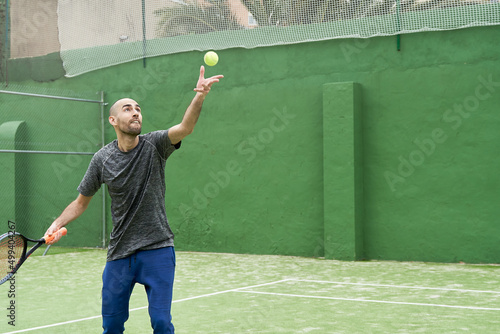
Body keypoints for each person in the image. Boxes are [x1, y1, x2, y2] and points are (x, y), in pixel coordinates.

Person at [44, 66, 223, 334]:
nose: (135, 111)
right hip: (120, 254)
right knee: (112, 326)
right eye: (127, 108)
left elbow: (185, 127)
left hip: (158, 248)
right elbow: (81, 201)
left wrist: (199, 96)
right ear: (113, 120)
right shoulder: (102, 159)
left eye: (138, 108)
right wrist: (57, 223)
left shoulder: (155, 145)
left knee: (162, 323)